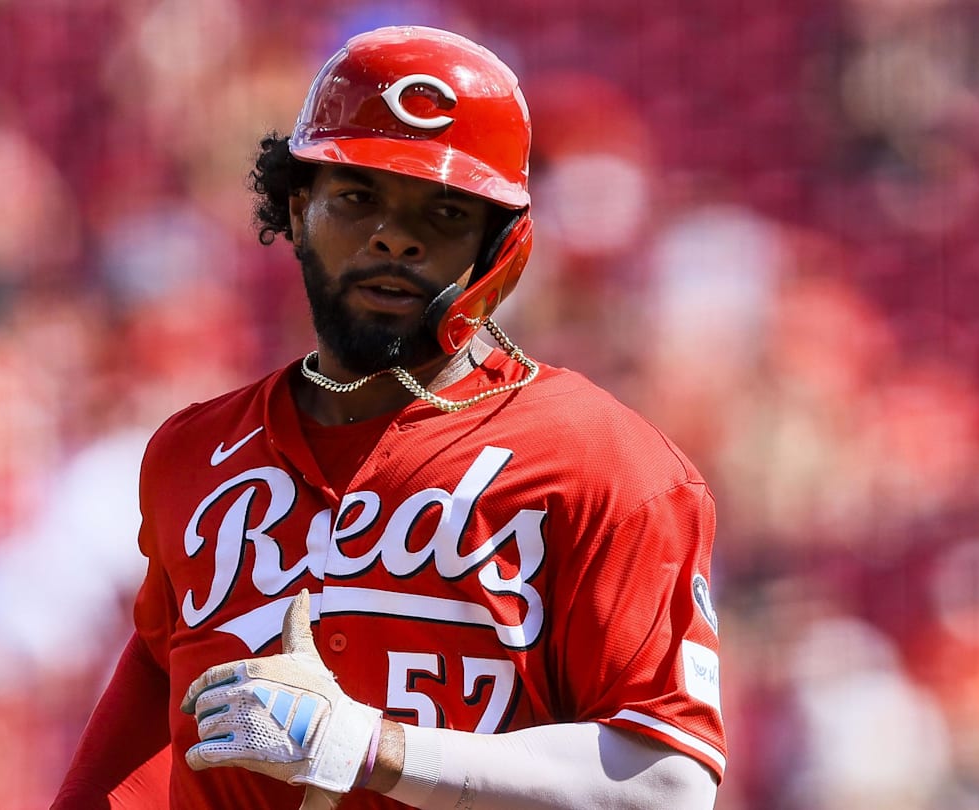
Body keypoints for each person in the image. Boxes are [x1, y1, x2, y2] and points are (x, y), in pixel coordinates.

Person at [53, 25, 725, 810]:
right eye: (358, 196)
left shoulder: (605, 463)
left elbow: (669, 784)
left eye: (444, 211)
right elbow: (144, 728)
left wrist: (369, 747)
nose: (394, 237)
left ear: (500, 245)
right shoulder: (193, 454)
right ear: (298, 207)